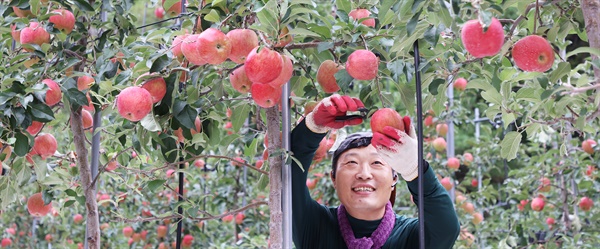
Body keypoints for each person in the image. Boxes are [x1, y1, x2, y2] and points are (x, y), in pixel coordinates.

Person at [291, 94, 460, 249]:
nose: (364, 174)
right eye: (351, 162)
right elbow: (289, 177)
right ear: (333, 178)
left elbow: (446, 229)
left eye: (377, 163)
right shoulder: (315, 227)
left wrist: (415, 170)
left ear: (395, 178)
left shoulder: (410, 237)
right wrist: (312, 127)